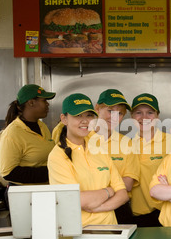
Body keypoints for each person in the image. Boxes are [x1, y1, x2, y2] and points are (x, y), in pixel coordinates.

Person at [47, 93, 128, 226]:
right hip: (79, 234)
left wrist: (98, 207)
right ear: (64, 119)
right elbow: (75, 200)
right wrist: (109, 191)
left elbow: (123, 194)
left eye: (89, 115)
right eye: (78, 115)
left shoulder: (98, 149)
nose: (85, 121)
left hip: (111, 230)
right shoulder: (57, 156)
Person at [89, 89, 140, 224]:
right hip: (87, 209)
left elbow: (128, 184)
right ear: (97, 108)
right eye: (110, 111)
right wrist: (114, 187)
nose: (114, 117)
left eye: (120, 113)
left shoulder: (127, 143)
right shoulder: (83, 140)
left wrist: (101, 192)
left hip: (120, 209)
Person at [129, 93, 171, 226]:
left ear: (157, 116)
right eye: (138, 112)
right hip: (140, 216)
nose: (144, 117)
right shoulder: (126, 146)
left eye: (150, 112)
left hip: (169, 212)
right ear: (132, 117)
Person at [0, 84, 56, 185]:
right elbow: (9, 172)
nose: (48, 104)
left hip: (45, 190)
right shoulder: (13, 133)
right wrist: (51, 172)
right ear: (31, 103)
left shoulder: (42, 126)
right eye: (44, 101)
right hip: (25, 195)